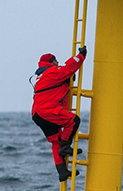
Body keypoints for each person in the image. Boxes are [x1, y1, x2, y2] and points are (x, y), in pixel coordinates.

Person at [31, 47, 87, 181]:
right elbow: (68, 68)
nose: (58, 62)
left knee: (55, 141)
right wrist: (81, 55)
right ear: (51, 62)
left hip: (38, 114)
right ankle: (66, 147)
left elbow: (58, 87)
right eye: (55, 60)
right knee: (73, 121)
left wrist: (67, 80)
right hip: (47, 111)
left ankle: (62, 171)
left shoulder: (41, 76)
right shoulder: (51, 72)